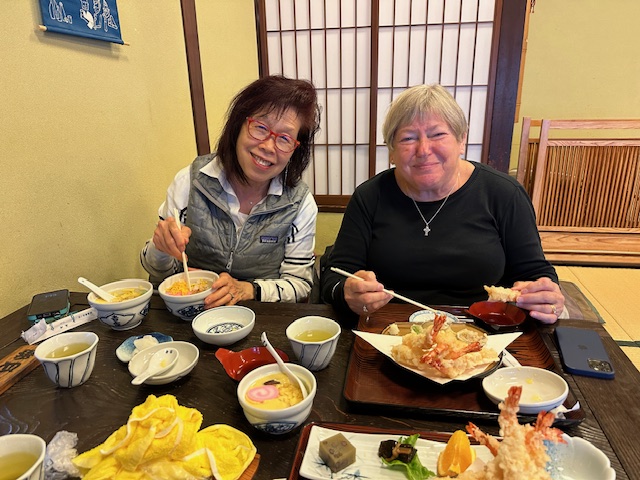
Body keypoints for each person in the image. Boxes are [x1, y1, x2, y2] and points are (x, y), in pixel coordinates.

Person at [320, 84, 564, 324]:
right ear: (392, 152)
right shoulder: (370, 196)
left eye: (437, 134)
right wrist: (347, 294)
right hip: (389, 331)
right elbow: (335, 276)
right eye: (408, 138)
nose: (423, 150)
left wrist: (545, 297)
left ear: (461, 140)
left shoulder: (504, 194)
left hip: (483, 329)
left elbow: (535, 273)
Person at [141, 75, 321, 308]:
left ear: (296, 149)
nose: (268, 146)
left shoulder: (299, 203)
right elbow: (157, 271)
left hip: (259, 316)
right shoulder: (191, 182)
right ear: (238, 125)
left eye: (285, 138)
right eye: (260, 128)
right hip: (192, 311)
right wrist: (161, 248)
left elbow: (299, 283)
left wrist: (247, 289)